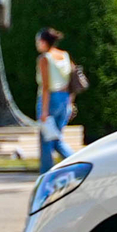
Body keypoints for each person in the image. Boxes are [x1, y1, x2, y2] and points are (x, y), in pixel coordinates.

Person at [36, 28, 75, 173]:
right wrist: (70, 102)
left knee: (46, 140)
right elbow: (72, 81)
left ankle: (45, 174)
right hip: (64, 98)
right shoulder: (65, 55)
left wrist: (44, 111)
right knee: (57, 139)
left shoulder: (45, 58)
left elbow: (46, 86)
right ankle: (75, 162)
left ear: (44, 42)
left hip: (50, 99)